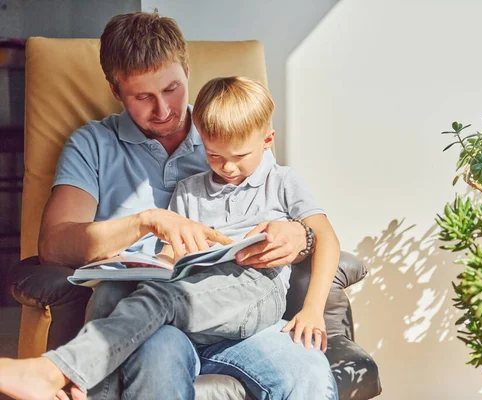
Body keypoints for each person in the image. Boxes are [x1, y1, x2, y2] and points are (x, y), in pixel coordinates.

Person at [2, 11, 338, 400]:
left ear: (187, 70)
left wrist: (302, 236)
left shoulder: (226, 133)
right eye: (143, 97)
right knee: (123, 309)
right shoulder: (93, 145)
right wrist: (147, 222)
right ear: (116, 90)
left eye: (172, 89)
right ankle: (81, 381)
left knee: (308, 370)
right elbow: (56, 245)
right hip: (152, 321)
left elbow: (286, 208)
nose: (163, 110)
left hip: (237, 311)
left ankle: (56, 372)